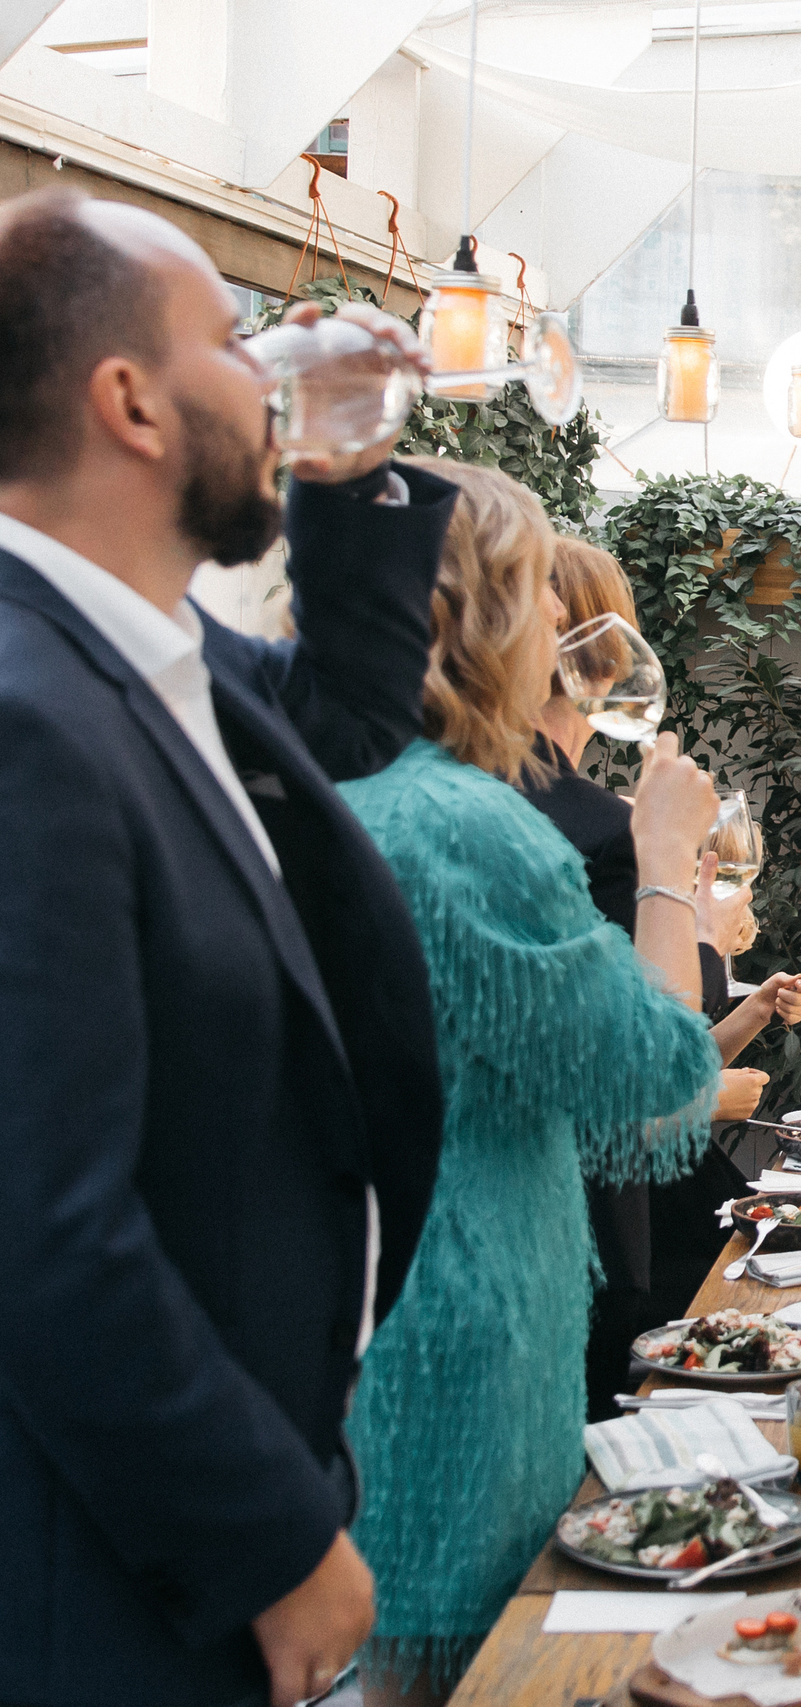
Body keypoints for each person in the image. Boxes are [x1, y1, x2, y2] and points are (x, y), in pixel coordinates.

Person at [0, 189, 449, 1707]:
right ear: (130, 402)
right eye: (233, 343)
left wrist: (352, 468)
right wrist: (267, 1538)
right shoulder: (24, 714)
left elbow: (354, 713)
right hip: (108, 1575)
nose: (270, 378)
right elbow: (39, 1223)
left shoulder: (155, 655)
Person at [339, 463, 725, 1700]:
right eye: (543, 597)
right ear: (489, 618)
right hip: (471, 1325)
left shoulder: (362, 791)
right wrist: (666, 860)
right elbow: (661, 1091)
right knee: (469, 1665)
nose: (563, 623)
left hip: (379, 1310)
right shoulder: (477, 829)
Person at [518, 537, 801, 1421]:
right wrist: (701, 926)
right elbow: (659, 1062)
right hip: (597, 1213)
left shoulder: (490, 800)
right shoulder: (601, 830)